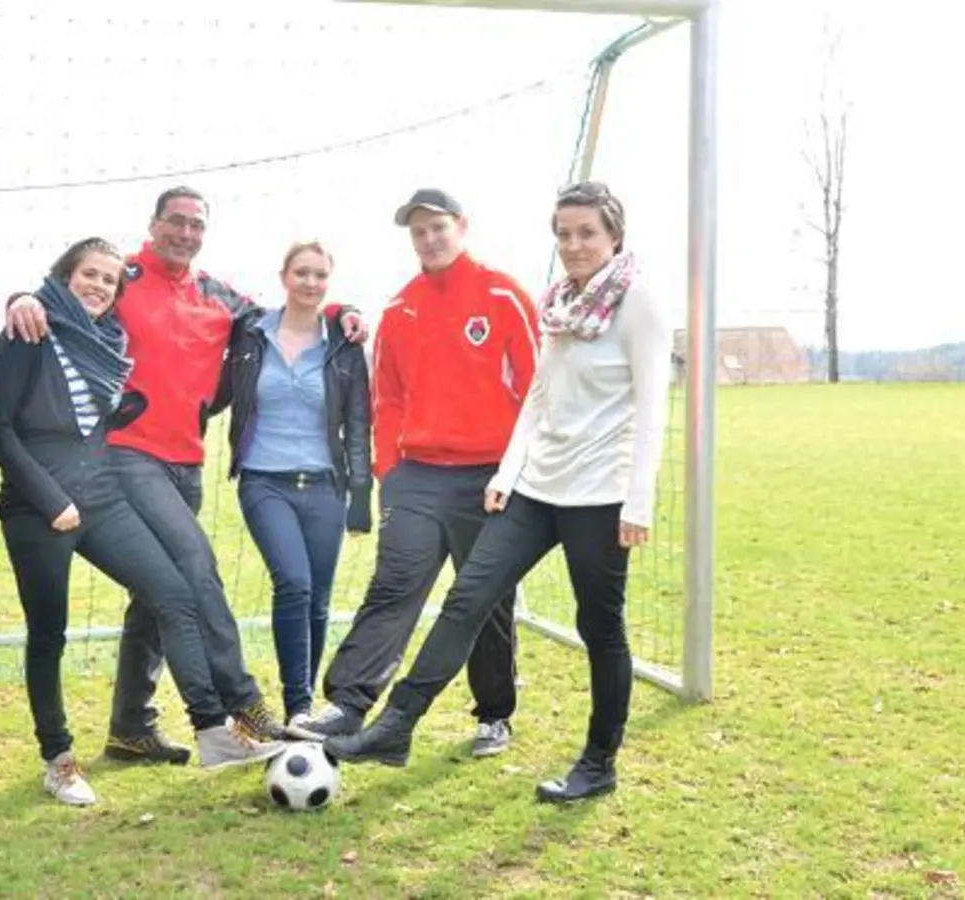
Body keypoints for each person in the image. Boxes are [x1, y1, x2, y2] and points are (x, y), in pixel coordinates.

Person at [326, 182, 674, 804]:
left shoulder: (638, 304)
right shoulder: (563, 303)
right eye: (564, 234)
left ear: (614, 236)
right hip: (538, 487)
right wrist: (507, 476)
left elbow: (653, 409)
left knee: (601, 626)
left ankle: (598, 762)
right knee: (469, 599)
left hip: (599, 497)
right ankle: (396, 726)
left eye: (586, 233)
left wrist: (637, 501)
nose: (573, 245)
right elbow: (539, 400)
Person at [2, 187, 367, 758]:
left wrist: (342, 311)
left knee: (155, 596)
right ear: (154, 225)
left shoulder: (220, 297)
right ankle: (242, 704)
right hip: (127, 455)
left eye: (197, 225)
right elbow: (67, 294)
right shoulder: (122, 277)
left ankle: (131, 727)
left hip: (187, 462)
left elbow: (283, 320)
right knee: (196, 568)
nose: (186, 233)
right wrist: (21, 295)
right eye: (176, 221)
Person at [0, 237, 287, 805]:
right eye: (88, 274)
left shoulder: (108, 341)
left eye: (109, 280)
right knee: (50, 636)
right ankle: (60, 760)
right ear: (64, 275)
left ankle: (214, 730)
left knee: (174, 592)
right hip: (38, 510)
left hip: (100, 498)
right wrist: (52, 502)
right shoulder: (29, 332)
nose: (98, 285)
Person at [295, 188, 539, 760]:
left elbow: (537, 389)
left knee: (485, 599)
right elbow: (389, 401)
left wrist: (517, 470)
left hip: (490, 478)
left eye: (437, 228)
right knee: (393, 587)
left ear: (461, 225)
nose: (429, 239)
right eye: (418, 231)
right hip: (419, 477)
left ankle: (494, 714)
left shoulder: (504, 295)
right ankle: (349, 704)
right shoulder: (400, 309)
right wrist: (390, 472)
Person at [212, 240, 373, 724]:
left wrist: (360, 495)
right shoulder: (250, 334)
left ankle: (304, 708)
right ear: (284, 276)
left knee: (319, 600)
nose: (310, 283)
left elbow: (360, 424)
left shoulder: (344, 344)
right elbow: (213, 389)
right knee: (295, 584)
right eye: (301, 273)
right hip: (265, 482)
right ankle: (299, 705)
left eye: (320, 275)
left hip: (325, 485)